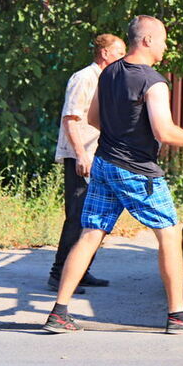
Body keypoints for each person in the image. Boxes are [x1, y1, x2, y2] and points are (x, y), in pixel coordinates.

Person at [43, 16, 183, 334]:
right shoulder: (152, 81)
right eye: (164, 39)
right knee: (169, 234)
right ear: (147, 40)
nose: (166, 46)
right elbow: (164, 132)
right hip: (138, 171)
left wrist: (120, 135)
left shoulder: (108, 72)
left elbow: (94, 118)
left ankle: (59, 312)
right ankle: (178, 316)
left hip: (104, 163)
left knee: (90, 234)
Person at [48, 33, 126, 293]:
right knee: (77, 216)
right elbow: (70, 119)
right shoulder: (84, 78)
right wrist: (81, 154)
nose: (123, 58)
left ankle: (80, 270)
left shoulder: (108, 79)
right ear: (104, 54)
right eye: (119, 53)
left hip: (99, 155)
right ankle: (59, 274)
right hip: (80, 156)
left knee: (95, 216)